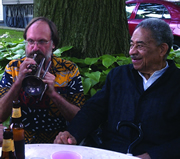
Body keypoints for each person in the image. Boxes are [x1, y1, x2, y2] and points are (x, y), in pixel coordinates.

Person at [54, 18, 180, 159]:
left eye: (140, 46)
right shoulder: (118, 76)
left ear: (162, 49)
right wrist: (72, 134)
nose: (132, 52)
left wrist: (152, 156)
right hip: (111, 153)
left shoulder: (176, 83)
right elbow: (93, 110)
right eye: (131, 44)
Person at [0, 17, 85, 143]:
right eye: (30, 41)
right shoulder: (13, 68)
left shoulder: (69, 70)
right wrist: (18, 83)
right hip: (20, 142)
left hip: (56, 143)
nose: (35, 48)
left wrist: (53, 94)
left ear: (53, 44)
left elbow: (81, 119)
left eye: (42, 42)